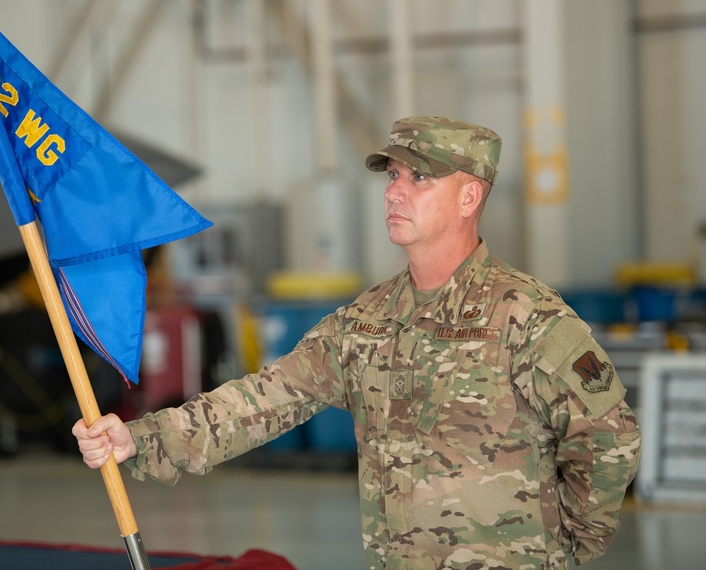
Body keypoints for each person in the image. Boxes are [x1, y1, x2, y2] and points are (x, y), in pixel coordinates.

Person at [73, 116, 641, 569]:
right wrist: (140, 439)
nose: (395, 192)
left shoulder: (526, 316)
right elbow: (265, 399)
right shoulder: (365, 321)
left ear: (469, 197)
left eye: (419, 178)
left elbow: (609, 435)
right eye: (392, 175)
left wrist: (566, 543)